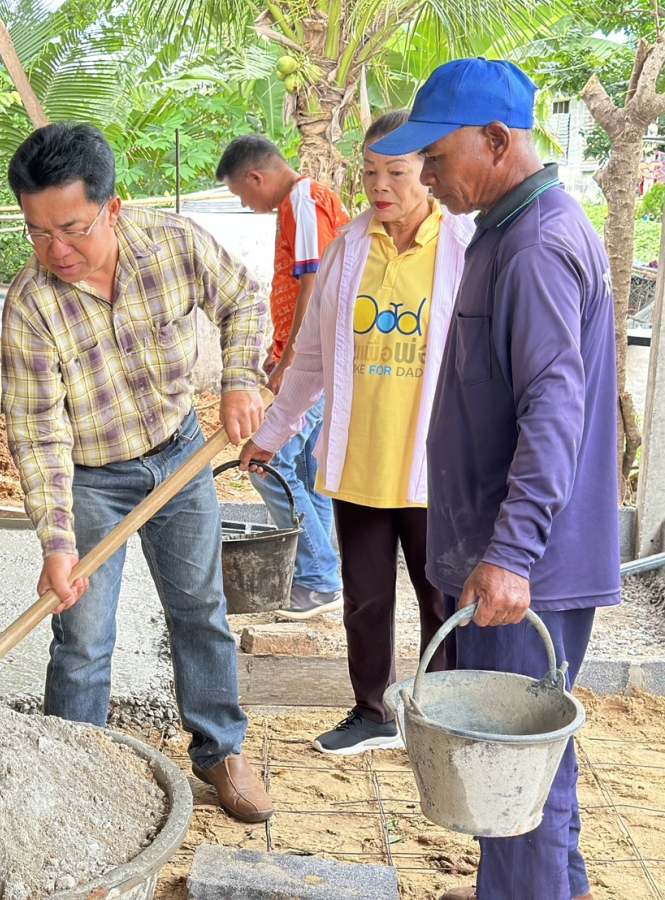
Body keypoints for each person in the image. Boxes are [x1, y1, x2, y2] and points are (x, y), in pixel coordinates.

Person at [370, 59, 618, 900]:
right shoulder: (506, 232)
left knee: (511, 787)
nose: (427, 176)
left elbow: (555, 414)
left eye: (436, 157)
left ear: (499, 140)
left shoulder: (539, 246)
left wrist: (509, 555)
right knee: (526, 777)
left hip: (525, 573)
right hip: (510, 562)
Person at [1, 122, 272, 823]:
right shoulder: (31, 305)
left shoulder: (174, 246)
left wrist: (241, 379)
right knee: (83, 634)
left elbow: (243, 297)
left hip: (180, 452)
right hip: (91, 476)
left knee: (200, 609)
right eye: (36, 233)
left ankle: (219, 751)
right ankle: (74, 766)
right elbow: (37, 433)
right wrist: (57, 542)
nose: (55, 251)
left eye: (72, 229)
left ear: (113, 208)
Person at [238, 111, 475, 754]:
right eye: (370, 171)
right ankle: (373, 712)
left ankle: (442, 716)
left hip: (435, 467)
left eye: (395, 171)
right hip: (361, 460)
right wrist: (273, 430)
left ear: (428, 170)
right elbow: (312, 359)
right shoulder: (349, 246)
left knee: (442, 604)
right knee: (366, 601)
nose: (379, 185)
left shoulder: (462, 245)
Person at [216, 137, 348, 619]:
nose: (246, 205)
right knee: (309, 474)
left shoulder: (304, 202)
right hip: (318, 358)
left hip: (313, 361)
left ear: (256, 177)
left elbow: (313, 286)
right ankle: (323, 572)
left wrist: (290, 362)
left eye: (240, 195)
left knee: (270, 464)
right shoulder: (305, 202)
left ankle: (318, 577)